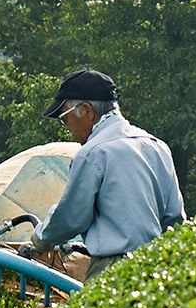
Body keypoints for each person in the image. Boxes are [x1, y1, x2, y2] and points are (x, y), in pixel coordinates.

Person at [27, 68, 185, 280]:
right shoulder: (157, 147)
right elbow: (174, 217)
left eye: (64, 119)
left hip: (112, 269)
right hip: (156, 266)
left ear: (86, 111)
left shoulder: (93, 154)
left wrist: (39, 238)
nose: (67, 129)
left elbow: (72, 218)